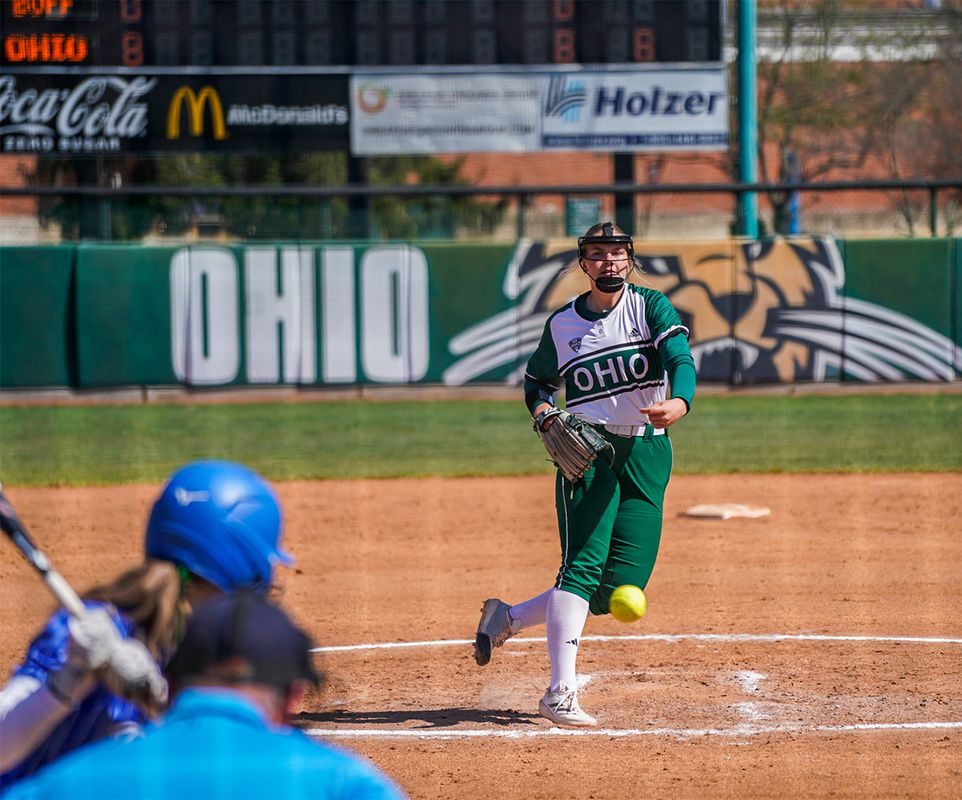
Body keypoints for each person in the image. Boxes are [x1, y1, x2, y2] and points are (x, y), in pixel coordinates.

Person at [473, 221, 696, 726]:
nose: (608, 263)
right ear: (583, 264)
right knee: (581, 567)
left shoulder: (649, 307)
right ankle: (559, 692)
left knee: (618, 589)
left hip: (648, 454)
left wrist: (681, 400)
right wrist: (545, 414)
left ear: (630, 259)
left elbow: (680, 357)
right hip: (589, 453)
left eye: (617, 254)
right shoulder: (562, 324)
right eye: (597, 254)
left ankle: (506, 618)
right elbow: (537, 383)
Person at [0, 460, 293, 788]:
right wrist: (69, 680)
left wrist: (164, 706)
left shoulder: (221, 653)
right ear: (241, 569)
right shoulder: (96, 630)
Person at [4, 590, 405, 800]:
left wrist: (64, 682)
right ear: (293, 698)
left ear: (172, 684)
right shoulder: (342, 784)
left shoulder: (70, 782)